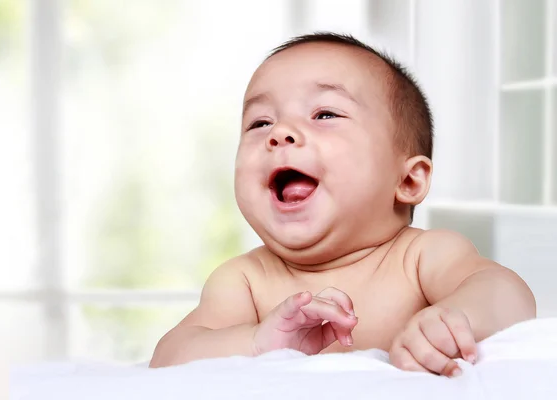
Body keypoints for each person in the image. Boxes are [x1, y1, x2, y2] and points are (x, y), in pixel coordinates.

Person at [149, 32, 536, 377]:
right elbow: (169, 357)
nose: (280, 133)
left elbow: (508, 292)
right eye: (260, 123)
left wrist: (455, 319)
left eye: (325, 114)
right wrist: (255, 343)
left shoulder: (420, 257)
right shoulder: (246, 281)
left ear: (408, 179)